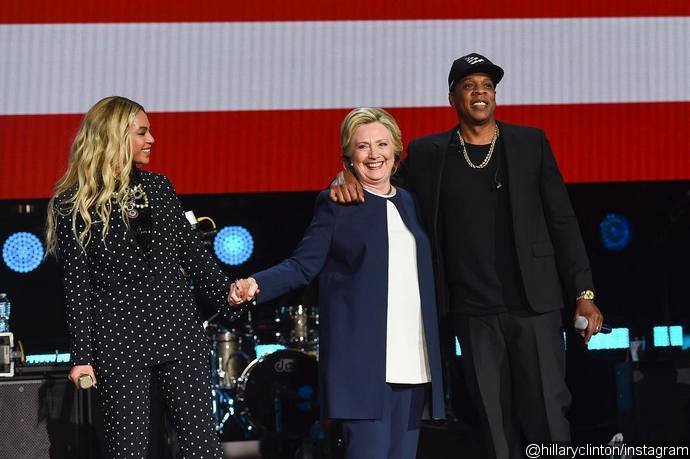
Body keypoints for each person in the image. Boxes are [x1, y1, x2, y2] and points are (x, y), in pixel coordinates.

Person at [330, 54, 604, 458]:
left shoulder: (530, 144)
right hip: (472, 313)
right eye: (469, 86)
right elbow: (381, 184)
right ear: (452, 98)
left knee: (548, 415)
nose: (480, 92)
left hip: (534, 307)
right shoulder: (429, 154)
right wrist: (347, 173)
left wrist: (585, 291)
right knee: (493, 425)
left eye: (487, 86)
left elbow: (562, 221)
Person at [229, 108, 445, 459]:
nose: (374, 154)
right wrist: (256, 283)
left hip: (413, 359)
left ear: (397, 149)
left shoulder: (409, 202)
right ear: (349, 156)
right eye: (363, 147)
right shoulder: (337, 203)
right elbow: (302, 265)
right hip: (363, 366)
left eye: (381, 144)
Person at [46, 96, 228, 458]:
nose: (152, 140)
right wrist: (82, 355)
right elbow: (77, 286)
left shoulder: (159, 187)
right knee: (128, 451)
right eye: (142, 132)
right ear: (113, 137)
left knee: (203, 448)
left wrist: (230, 294)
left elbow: (193, 254)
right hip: (120, 341)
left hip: (178, 333)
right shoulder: (74, 204)